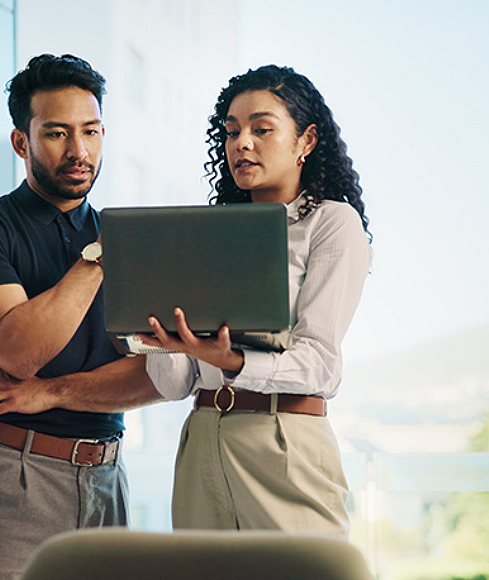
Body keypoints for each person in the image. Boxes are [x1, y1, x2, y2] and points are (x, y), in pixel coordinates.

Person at [0, 53, 161, 580]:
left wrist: (52, 392)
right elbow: (20, 351)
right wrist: (102, 256)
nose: (79, 151)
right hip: (12, 474)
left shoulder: (127, 238)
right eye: (58, 133)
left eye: (91, 131)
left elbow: (160, 375)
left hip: (107, 474)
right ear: (22, 142)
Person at [136, 64, 371, 536]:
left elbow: (321, 364)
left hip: (283, 440)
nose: (242, 143)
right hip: (202, 436)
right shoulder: (207, 233)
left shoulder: (331, 223)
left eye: (262, 129)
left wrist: (235, 361)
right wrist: (161, 339)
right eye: (232, 131)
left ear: (306, 141)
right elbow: (176, 384)